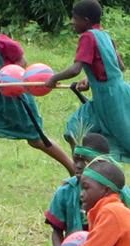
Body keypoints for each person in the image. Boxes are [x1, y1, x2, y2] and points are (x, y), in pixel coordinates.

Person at [0, 7, 74, 190]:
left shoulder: (0, 42)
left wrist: (10, 79)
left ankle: (73, 169)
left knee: (37, 140)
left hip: (16, 97)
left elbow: (21, 62)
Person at [45, 0, 130, 163]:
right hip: (111, 94)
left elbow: (75, 69)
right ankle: (83, 172)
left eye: (75, 18)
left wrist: (53, 78)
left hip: (112, 99)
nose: (72, 22)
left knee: (125, 137)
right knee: (74, 129)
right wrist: (91, 79)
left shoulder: (88, 37)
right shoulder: (105, 35)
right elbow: (120, 67)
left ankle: (94, 172)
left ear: (85, 20)